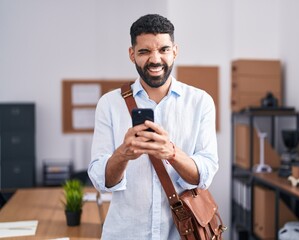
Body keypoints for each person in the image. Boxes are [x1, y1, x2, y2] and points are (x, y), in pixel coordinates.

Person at [88, 13, 219, 240]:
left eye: (163, 50)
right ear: (132, 54)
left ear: (175, 51)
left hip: (181, 234)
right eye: (145, 51)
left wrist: (172, 153)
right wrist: (123, 155)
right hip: (125, 234)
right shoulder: (109, 104)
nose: (155, 59)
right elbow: (101, 181)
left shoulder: (201, 102)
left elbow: (205, 174)